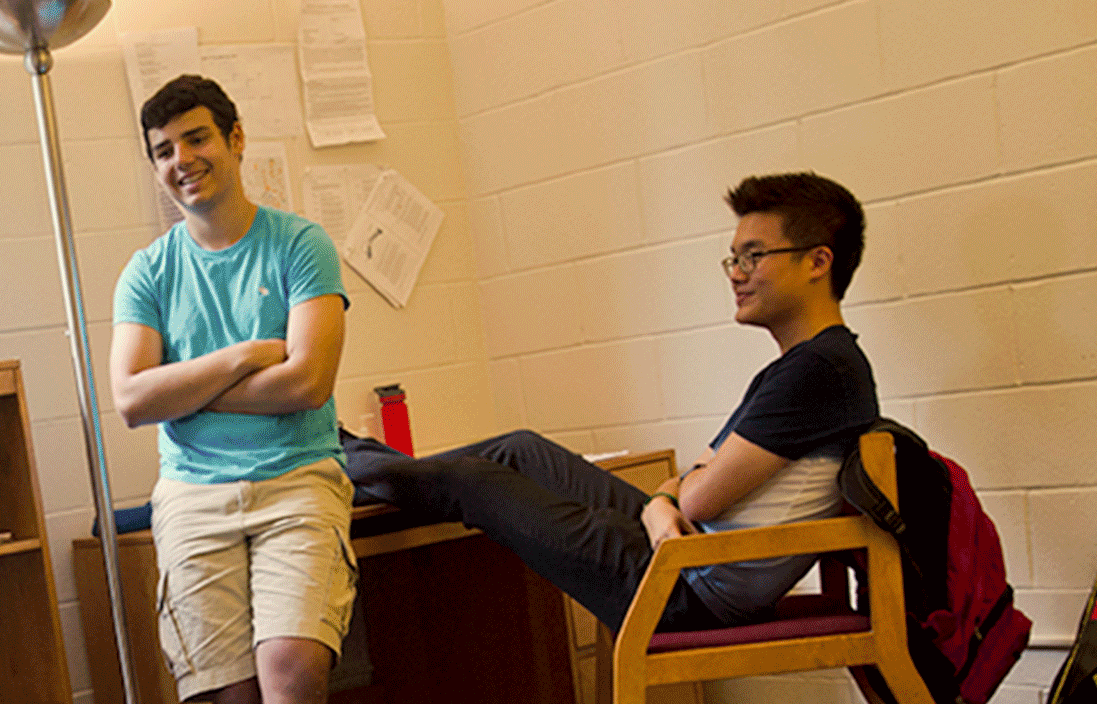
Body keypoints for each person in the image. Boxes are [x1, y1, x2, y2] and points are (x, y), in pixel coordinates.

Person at [348, 172, 879, 634]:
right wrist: (664, 503)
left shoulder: (821, 370)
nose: (737, 273)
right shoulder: (806, 365)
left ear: (817, 262)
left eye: (754, 256)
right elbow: (700, 472)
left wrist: (660, 506)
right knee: (521, 450)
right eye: (733, 258)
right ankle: (354, 468)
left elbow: (696, 501)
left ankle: (334, 458)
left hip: (687, 586)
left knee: (475, 481)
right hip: (681, 551)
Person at [110, 75, 354, 704]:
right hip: (192, 496)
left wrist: (189, 391)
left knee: (292, 669)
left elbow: (309, 383)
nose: (182, 160)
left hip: (297, 481)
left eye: (196, 138)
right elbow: (131, 398)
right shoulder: (147, 272)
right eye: (163, 151)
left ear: (236, 139)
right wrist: (247, 355)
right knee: (234, 695)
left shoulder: (300, 245)